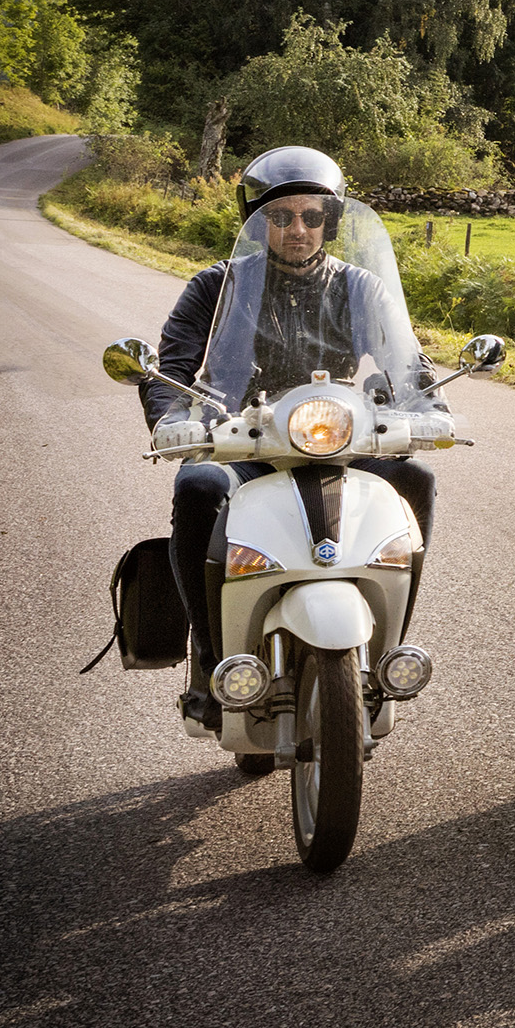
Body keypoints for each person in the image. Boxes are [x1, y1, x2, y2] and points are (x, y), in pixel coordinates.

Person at [142, 146, 436, 727]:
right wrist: (172, 418)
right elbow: (173, 367)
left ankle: (385, 649)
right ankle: (210, 662)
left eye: (311, 216)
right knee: (198, 487)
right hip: (239, 438)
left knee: (413, 477)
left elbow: (409, 363)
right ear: (258, 222)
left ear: (331, 221)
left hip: (337, 436)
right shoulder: (214, 285)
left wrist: (430, 403)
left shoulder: (362, 288)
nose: (297, 229)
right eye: (281, 217)